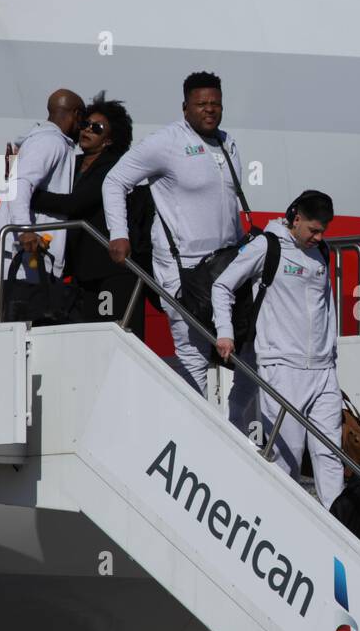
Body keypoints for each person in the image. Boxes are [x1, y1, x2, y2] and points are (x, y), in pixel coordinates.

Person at [100, 71, 254, 424]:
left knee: (249, 350)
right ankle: (200, 432)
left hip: (227, 266)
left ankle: (232, 427)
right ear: (185, 108)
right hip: (182, 268)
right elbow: (115, 181)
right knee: (193, 354)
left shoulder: (228, 143)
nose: (209, 110)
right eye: (201, 105)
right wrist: (118, 233)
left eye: (215, 104)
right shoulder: (166, 143)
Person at [212, 190, 342, 507]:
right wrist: (225, 332)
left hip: (323, 371)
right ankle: (287, 529)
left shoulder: (321, 252)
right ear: (295, 219)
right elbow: (222, 285)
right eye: (313, 229)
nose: (319, 236)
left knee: (331, 456)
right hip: (281, 367)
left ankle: (338, 534)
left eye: (323, 230)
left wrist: (332, 355)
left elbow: (327, 308)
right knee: (288, 457)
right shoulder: (266, 246)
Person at [29, 92, 155, 338]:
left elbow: (75, 204)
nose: (86, 130)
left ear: (109, 140)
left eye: (96, 128)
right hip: (80, 273)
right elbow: (37, 176)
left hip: (111, 272)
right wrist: (17, 173)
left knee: (114, 338)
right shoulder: (72, 163)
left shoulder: (113, 167)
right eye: (85, 124)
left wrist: (32, 195)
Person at [0, 88, 85, 281]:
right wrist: (25, 230)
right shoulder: (51, 142)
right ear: (76, 114)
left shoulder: (43, 139)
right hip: (22, 251)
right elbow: (21, 183)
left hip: (24, 250)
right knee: (25, 307)